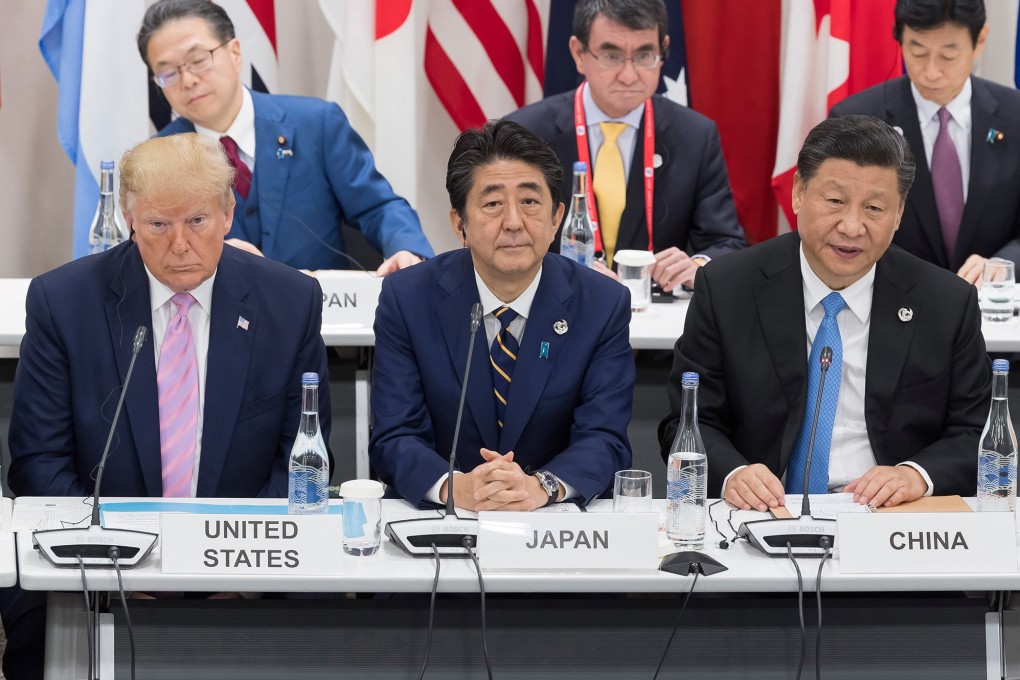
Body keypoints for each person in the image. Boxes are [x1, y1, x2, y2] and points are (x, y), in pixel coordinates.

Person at [659, 115, 991, 512]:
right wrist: (734, 474)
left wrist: (914, 474)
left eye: (874, 208)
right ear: (799, 193)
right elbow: (686, 421)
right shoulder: (727, 288)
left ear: (899, 213)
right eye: (835, 202)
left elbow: (976, 432)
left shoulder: (946, 303)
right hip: (763, 512)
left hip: (890, 517)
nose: (852, 227)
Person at [9, 133, 330, 498]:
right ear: (130, 220)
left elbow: (303, 463)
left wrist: (232, 542)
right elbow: (39, 462)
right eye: (159, 225)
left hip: (238, 545)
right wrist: (102, 540)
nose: (179, 245)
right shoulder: (64, 304)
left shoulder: (290, 304)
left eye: (196, 220)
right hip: (108, 543)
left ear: (227, 215)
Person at [370, 120, 634, 510]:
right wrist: (454, 488)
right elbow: (395, 436)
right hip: (445, 524)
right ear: (459, 224)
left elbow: (605, 437)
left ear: (556, 217)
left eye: (530, 202)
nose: (513, 222)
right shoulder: (408, 298)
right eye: (493, 204)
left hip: (554, 528)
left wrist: (540, 486)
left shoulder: (601, 303)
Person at [137, 0, 434, 273]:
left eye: (198, 59)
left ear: (235, 53)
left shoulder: (316, 124)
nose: (188, 80)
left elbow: (378, 206)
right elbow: (146, 251)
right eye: (168, 73)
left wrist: (406, 249)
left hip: (324, 316)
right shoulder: (157, 159)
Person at [505, 0, 746, 290]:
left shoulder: (695, 136)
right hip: (555, 308)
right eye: (611, 56)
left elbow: (726, 242)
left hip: (656, 319)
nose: (629, 75)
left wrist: (699, 266)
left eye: (645, 55)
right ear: (579, 53)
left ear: (663, 48)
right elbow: (503, 238)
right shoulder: (525, 133)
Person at [830, 0, 1020, 284]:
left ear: (979, 40)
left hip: (995, 311)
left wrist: (1003, 265)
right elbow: (841, 229)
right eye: (917, 51)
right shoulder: (856, 119)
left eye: (948, 55)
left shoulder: (1014, 114)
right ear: (900, 37)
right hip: (893, 305)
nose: (931, 71)